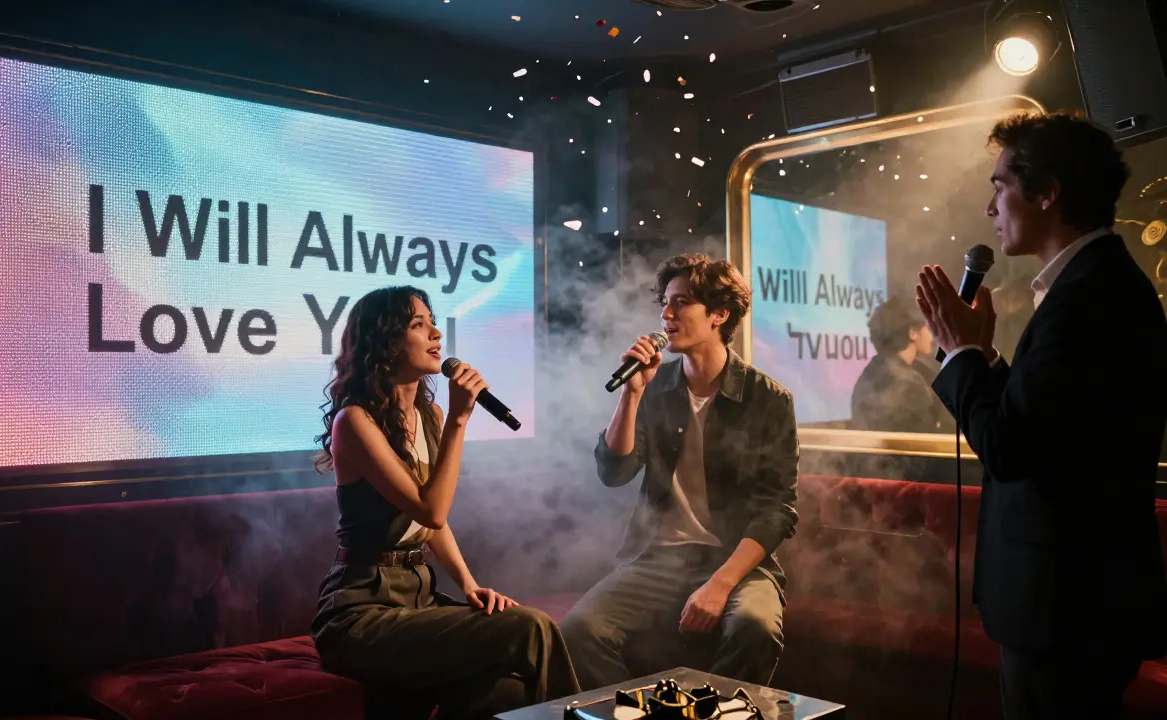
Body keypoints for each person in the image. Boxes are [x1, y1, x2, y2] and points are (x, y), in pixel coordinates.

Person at [916, 112, 1167, 720]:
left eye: (1000, 184)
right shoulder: (1092, 283)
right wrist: (988, 359)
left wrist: (963, 355)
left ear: (1048, 191)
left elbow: (1011, 447)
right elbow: (1054, 428)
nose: (989, 207)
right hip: (1072, 601)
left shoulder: (1091, 296)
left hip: (1067, 605)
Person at [309, 286, 581, 719]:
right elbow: (429, 509)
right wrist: (460, 419)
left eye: (432, 320)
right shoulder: (355, 422)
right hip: (360, 612)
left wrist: (469, 584)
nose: (437, 332)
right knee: (532, 627)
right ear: (385, 342)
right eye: (418, 324)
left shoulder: (428, 416)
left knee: (503, 690)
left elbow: (433, 525)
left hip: (419, 596)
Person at [561, 253, 799, 689]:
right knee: (579, 631)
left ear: (719, 314)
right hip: (659, 558)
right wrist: (632, 395)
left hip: (737, 561)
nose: (666, 315)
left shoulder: (767, 399)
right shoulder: (656, 389)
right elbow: (614, 473)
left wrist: (719, 584)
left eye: (681, 302)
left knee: (756, 627)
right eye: (665, 303)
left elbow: (776, 511)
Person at [851, 296, 950, 433]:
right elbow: (929, 441)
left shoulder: (870, 374)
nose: (932, 336)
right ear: (913, 333)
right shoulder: (911, 384)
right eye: (928, 327)